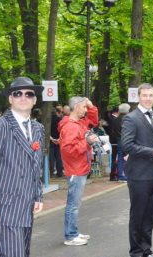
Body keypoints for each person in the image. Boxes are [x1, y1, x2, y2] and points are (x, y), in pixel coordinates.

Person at [0, 77, 46, 257]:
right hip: (3, 208)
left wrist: (38, 196)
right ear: (10, 99)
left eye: (28, 94)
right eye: (17, 94)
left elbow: (36, 166)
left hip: (26, 207)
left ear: (34, 99)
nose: (23, 97)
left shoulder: (38, 128)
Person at [120, 83, 153, 257]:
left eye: (151, 95)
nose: (148, 98)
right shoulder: (131, 118)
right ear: (138, 97)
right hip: (139, 174)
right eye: (145, 95)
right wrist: (152, 152)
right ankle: (136, 252)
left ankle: (146, 249)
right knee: (138, 214)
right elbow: (127, 145)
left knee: (150, 214)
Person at [57, 96, 99, 246]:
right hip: (75, 169)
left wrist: (91, 105)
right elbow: (68, 150)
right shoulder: (71, 126)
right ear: (75, 107)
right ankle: (70, 235)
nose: (86, 110)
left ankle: (73, 232)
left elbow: (93, 121)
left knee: (74, 203)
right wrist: (86, 142)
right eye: (83, 107)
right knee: (73, 204)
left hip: (78, 168)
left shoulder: (78, 123)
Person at [116, 104, 131, 182]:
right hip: (125, 140)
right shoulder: (127, 119)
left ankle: (120, 175)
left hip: (119, 140)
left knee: (120, 158)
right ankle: (123, 175)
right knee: (125, 158)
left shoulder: (117, 119)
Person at [49, 105, 66, 178]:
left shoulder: (47, 120)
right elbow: (62, 131)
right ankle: (59, 172)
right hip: (58, 140)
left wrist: (51, 139)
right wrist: (59, 139)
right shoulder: (60, 120)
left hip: (50, 140)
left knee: (51, 158)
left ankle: (51, 173)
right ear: (57, 112)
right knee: (59, 157)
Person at [107, 107, 122, 181]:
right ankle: (113, 174)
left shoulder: (110, 118)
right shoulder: (114, 119)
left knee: (114, 158)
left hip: (113, 140)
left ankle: (113, 174)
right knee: (115, 158)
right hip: (115, 141)